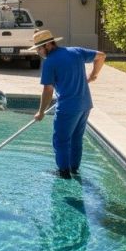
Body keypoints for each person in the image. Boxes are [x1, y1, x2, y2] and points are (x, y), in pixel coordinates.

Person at [30, 29, 105, 179]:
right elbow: (101, 56)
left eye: (39, 49)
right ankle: (74, 169)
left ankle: (64, 172)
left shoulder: (50, 62)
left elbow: (48, 90)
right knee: (77, 139)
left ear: (48, 45)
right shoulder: (76, 51)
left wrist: (41, 111)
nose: (38, 52)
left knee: (61, 140)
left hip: (67, 108)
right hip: (85, 104)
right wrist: (93, 75)